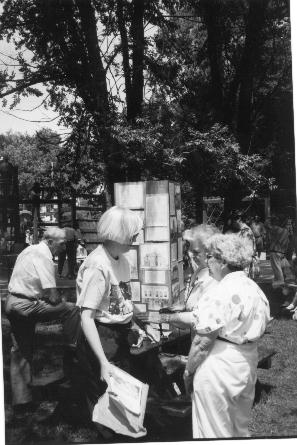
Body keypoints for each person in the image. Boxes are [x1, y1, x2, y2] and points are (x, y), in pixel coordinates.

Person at [183, 233, 271, 438]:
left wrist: (188, 372)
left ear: (223, 262)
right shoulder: (254, 288)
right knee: (239, 428)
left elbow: (202, 342)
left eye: (211, 257)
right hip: (246, 362)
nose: (207, 261)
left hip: (219, 367)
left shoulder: (219, 291)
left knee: (213, 431)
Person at [75, 206, 153, 422]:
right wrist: (103, 361)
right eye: (133, 233)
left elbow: (121, 301)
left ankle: (122, 430)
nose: (136, 238)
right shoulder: (98, 265)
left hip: (120, 334)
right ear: (119, 234)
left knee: (122, 392)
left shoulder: (123, 260)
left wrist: (136, 325)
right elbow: (86, 317)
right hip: (101, 335)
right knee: (105, 394)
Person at [5, 227, 79, 410]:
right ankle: (74, 349)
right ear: (49, 241)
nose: (63, 248)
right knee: (71, 309)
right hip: (26, 305)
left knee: (20, 350)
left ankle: (22, 402)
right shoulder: (44, 256)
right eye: (61, 244)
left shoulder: (29, 250)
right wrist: (61, 300)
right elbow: (52, 296)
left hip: (11, 302)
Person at [138, 224, 220, 331]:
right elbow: (191, 319)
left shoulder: (215, 278)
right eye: (189, 250)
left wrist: (165, 318)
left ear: (211, 253)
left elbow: (199, 317)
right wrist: (182, 309)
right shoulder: (199, 272)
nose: (190, 255)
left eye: (196, 252)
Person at [265, 215, 295, 287]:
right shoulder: (286, 232)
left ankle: (280, 282)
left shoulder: (276, 229)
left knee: (277, 268)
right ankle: (279, 282)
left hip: (275, 251)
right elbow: (287, 243)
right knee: (279, 268)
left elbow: (266, 225)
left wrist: (269, 218)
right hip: (282, 252)